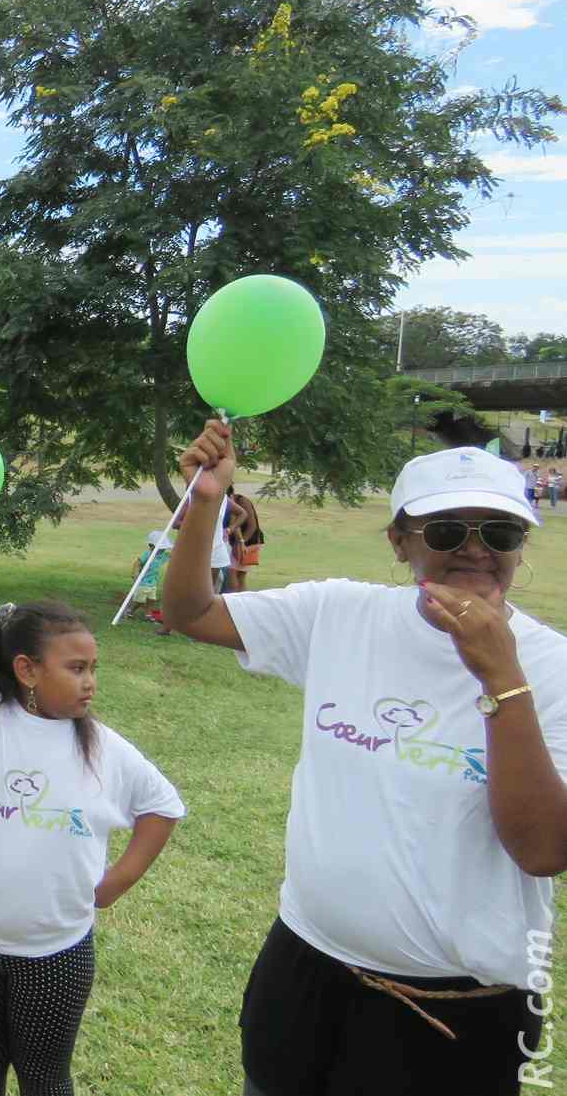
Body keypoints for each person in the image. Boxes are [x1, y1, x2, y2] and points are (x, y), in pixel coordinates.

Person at [166, 429, 564, 1095]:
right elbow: (189, 610)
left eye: (500, 532)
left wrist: (502, 677)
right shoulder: (339, 613)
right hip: (305, 965)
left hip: (456, 1009)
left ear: (520, 546)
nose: (476, 548)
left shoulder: (552, 668)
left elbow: (543, 849)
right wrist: (207, 501)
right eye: (447, 530)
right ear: (400, 541)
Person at [0, 540, 184, 1096]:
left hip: (54, 952)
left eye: (93, 668)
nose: (90, 681)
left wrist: (117, 882)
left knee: (44, 1075)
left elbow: (162, 807)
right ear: (26, 670)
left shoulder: (104, 749)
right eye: (76, 668)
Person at [225, 487, 263, 593]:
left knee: (233, 572)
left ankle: (234, 597)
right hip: (239, 542)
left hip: (249, 542)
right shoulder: (230, 503)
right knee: (239, 575)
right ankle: (241, 597)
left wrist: (242, 543)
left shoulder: (242, 501)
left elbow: (252, 526)